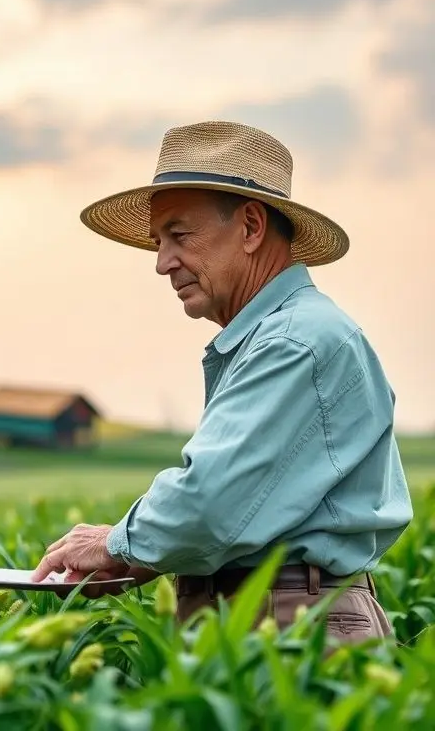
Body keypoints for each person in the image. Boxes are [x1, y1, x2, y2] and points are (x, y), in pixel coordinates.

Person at [30, 121, 413, 643]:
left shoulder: (293, 341)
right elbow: (247, 512)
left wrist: (118, 543)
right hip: (274, 612)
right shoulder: (283, 335)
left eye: (178, 236)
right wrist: (143, 558)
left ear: (252, 227)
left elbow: (210, 503)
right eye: (158, 241)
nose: (163, 263)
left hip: (291, 625)